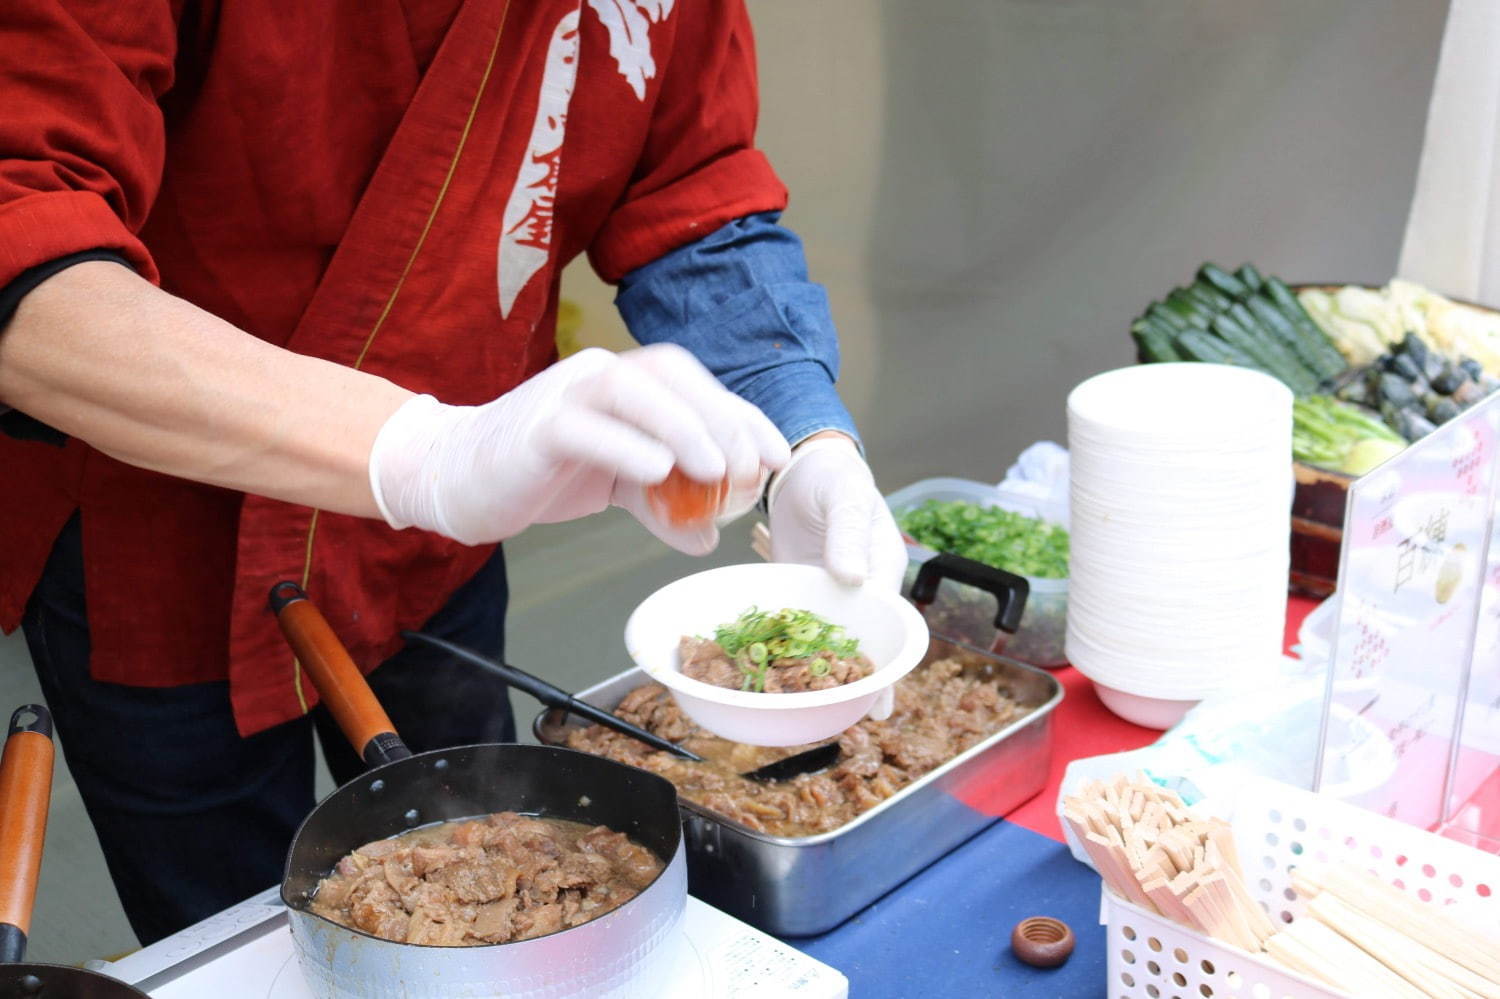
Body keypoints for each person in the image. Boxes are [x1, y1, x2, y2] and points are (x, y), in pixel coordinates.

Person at [0, 0, 906, 944]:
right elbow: (22, 236)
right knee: (242, 930)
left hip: (444, 533)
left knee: (495, 858)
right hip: (155, 528)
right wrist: (421, 452)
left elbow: (694, 196)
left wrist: (807, 434)